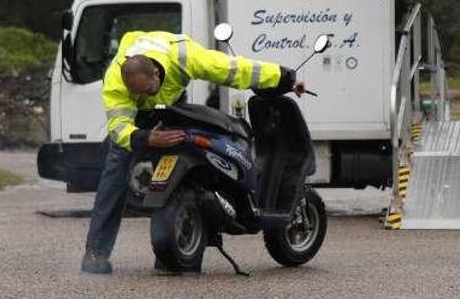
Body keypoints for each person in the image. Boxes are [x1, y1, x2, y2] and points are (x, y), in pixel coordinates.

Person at [81, 30, 305, 274]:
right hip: (138, 121)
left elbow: (233, 69)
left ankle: (176, 244)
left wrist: (284, 78)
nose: (143, 96)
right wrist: (146, 137)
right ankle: (96, 252)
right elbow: (118, 128)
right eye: (136, 92)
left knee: (190, 156)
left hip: (172, 102)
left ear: (157, 73)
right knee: (116, 171)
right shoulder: (116, 78)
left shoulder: (184, 56)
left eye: (147, 90)